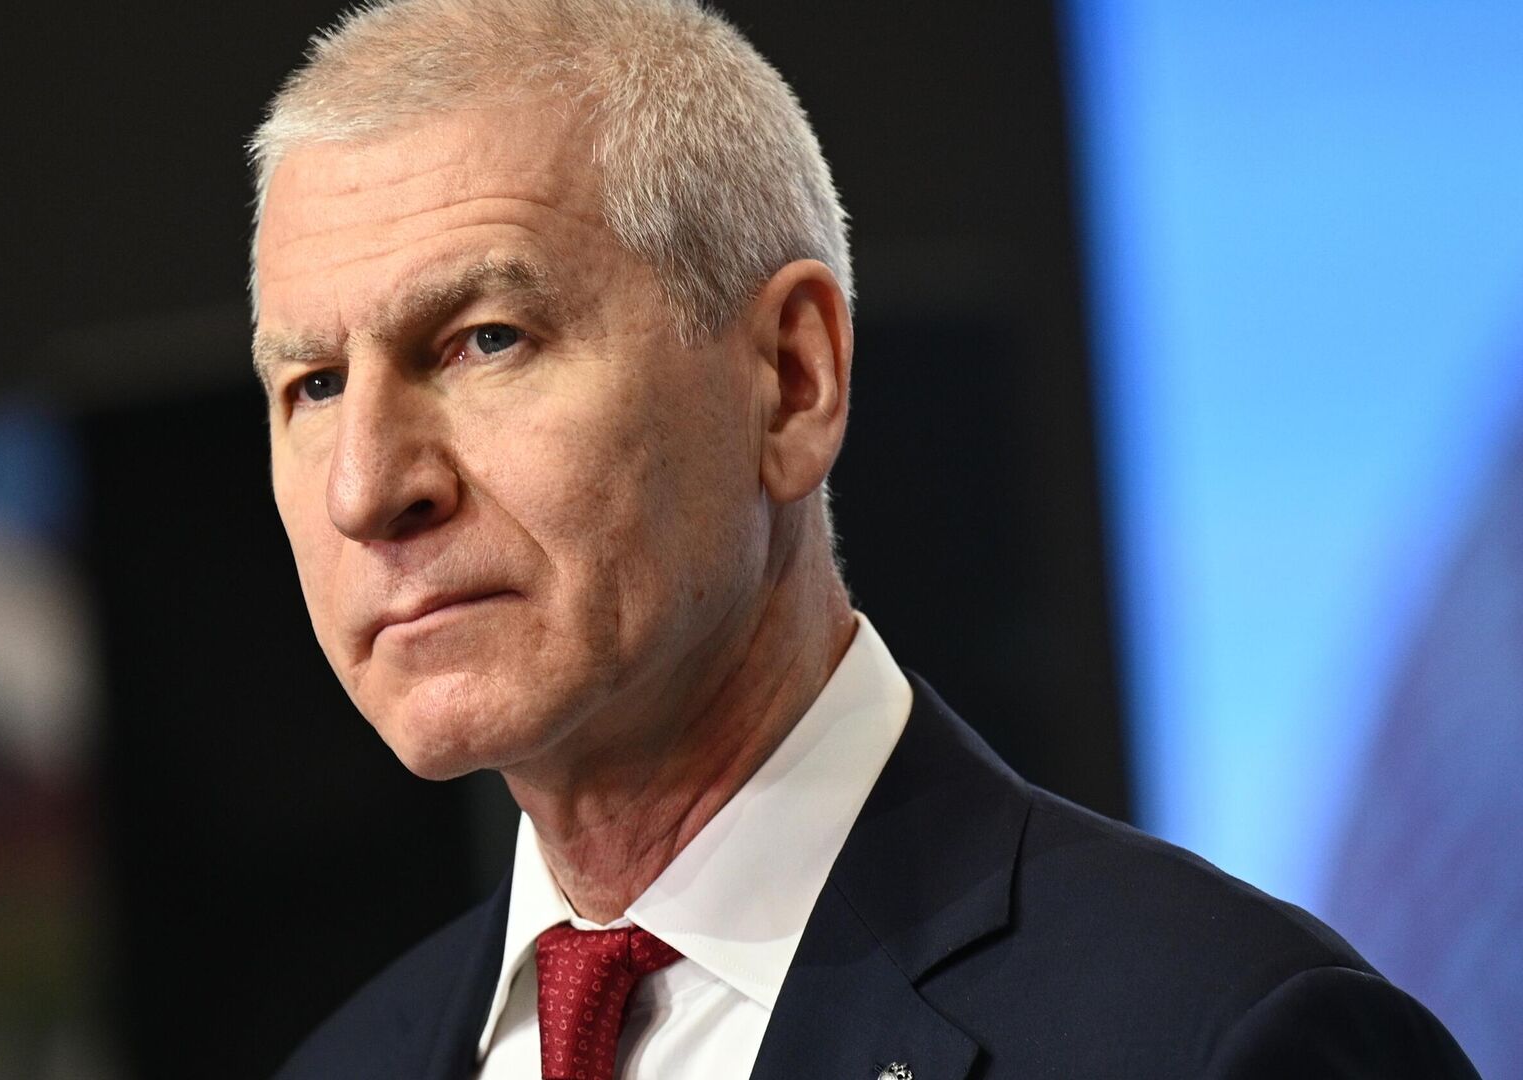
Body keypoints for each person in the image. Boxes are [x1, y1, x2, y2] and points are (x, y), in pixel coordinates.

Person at [249, 1, 1480, 1076]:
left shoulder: (1216, 1039)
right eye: (314, 385)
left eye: (487, 340)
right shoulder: (343, 1066)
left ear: (792, 381)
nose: (367, 488)